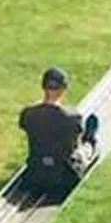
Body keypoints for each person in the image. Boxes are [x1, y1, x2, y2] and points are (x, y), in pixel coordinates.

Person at [18, 67, 95, 203]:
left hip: (36, 174)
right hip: (64, 177)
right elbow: (74, 143)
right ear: (63, 89)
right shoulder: (72, 117)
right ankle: (90, 139)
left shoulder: (28, 114)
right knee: (85, 149)